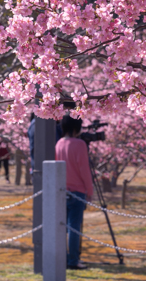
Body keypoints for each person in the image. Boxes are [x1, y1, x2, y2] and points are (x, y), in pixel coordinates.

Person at [55, 115, 92, 270]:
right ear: (77, 127)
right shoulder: (80, 144)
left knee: (62, 227)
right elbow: (84, 170)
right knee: (74, 227)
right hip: (77, 190)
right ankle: (73, 260)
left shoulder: (59, 144)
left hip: (62, 189)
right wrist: (89, 190)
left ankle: (62, 258)